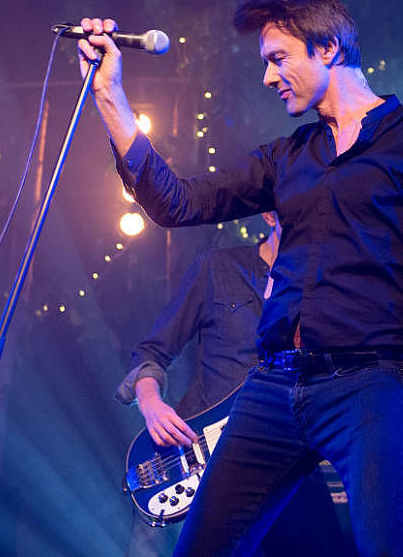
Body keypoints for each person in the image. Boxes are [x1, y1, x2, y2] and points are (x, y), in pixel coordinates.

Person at [78, 0, 403, 555]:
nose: (268, 77)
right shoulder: (289, 156)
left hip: (369, 384)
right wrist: (109, 94)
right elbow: (177, 203)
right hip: (272, 386)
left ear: (328, 48)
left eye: (278, 58)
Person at [116, 213, 354, 557]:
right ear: (270, 214)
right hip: (197, 456)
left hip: (285, 459)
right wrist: (151, 405)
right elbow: (152, 351)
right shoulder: (217, 268)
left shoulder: (325, 290)